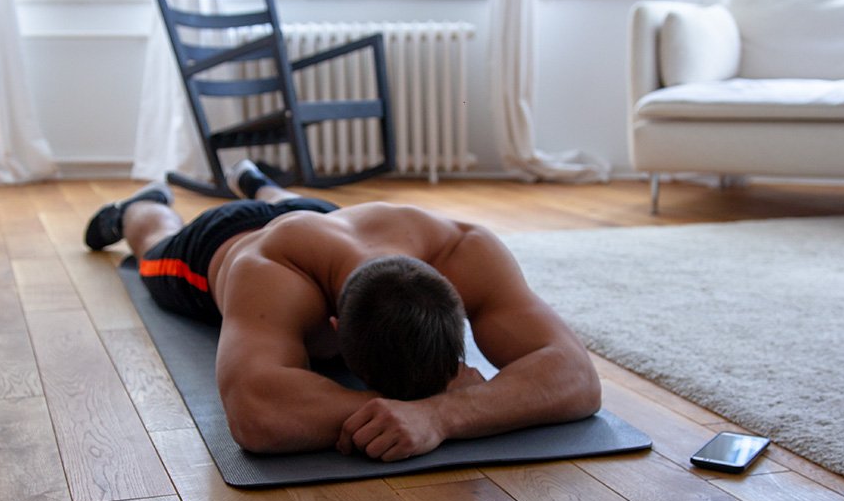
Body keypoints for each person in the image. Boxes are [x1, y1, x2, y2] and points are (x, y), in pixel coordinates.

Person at [85, 160, 601, 461]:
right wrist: (406, 408)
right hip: (224, 241)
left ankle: (262, 181)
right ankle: (142, 202)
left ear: (456, 296)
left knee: (306, 211)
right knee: (155, 244)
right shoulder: (267, 276)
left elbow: (577, 374)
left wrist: (443, 414)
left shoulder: (464, 248)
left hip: (322, 220)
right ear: (332, 328)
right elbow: (255, 410)